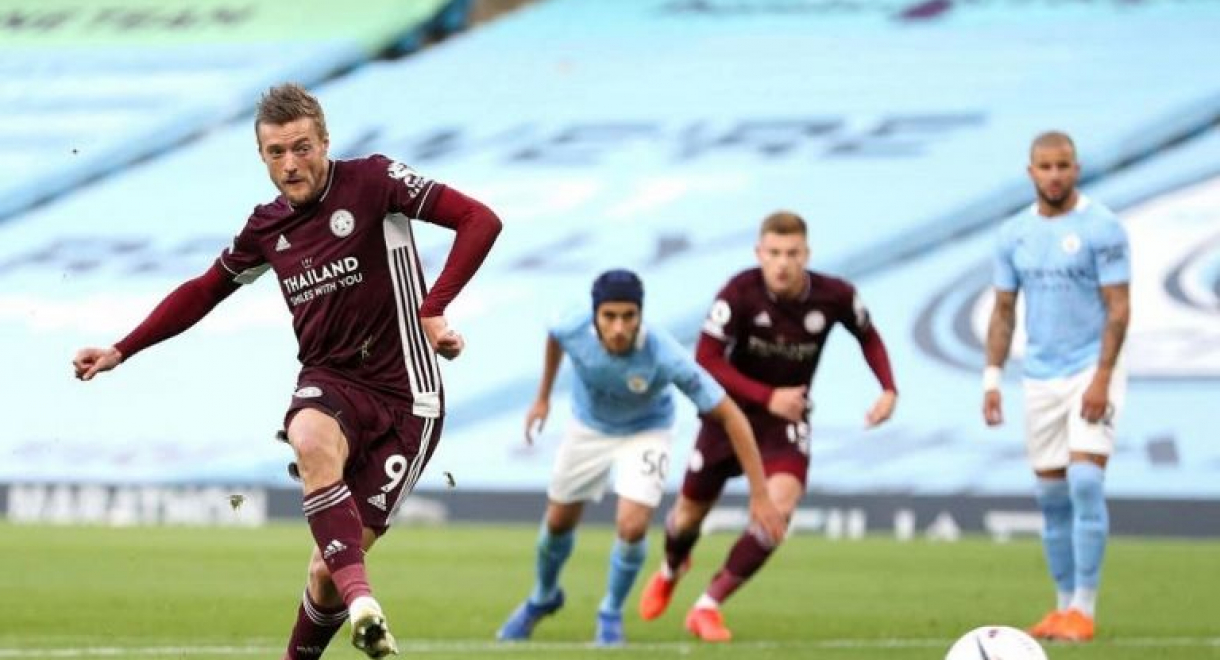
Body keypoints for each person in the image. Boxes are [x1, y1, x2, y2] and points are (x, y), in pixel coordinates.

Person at [72, 83, 502, 659]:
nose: (291, 164)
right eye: (276, 152)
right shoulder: (266, 228)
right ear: (262, 156)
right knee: (308, 436)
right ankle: (365, 604)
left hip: (408, 400)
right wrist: (121, 349)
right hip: (331, 382)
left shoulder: (375, 181)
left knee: (326, 573)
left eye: (302, 147)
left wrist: (433, 307)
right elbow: (204, 290)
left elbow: (480, 219)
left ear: (325, 142)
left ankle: (341, 611)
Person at [638, 211, 898, 642]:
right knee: (686, 519)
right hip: (727, 418)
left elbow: (868, 334)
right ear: (759, 253)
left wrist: (888, 388)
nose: (782, 263)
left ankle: (707, 605)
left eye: (792, 253)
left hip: (785, 424)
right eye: (774, 253)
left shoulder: (835, 295)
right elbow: (706, 360)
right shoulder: (739, 293)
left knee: (777, 512)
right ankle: (671, 568)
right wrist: (767, 396)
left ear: (806, 254)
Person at [496, 269, 786, 646]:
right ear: (595, 315)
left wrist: (760, 495)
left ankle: (611, 613)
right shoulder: (571, 326)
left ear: (640, 315)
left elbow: (731, 415)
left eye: (628, 316)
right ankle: (543, 597)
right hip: (589, 427)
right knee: (557, 522)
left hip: (646, 431)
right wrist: (542, 397)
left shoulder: (664, 355)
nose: (619, 327)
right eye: (609, 316)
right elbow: (554, 338)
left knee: (632, 526)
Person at [982, 131, 1130, 643]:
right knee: (1050, 496)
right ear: (1031, 172)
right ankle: (1062, 604)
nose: (1054, 175)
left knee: (1085, 481)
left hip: (1091, 368)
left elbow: (1118, 307)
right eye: (1045, 167)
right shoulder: (1013, 234)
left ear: (1076, 169)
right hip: (1039, 375)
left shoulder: (1101, 227)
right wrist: (992, 379)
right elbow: (1003, 311)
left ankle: (1084, 608)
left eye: (1063, 165)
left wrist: (1103, 377)